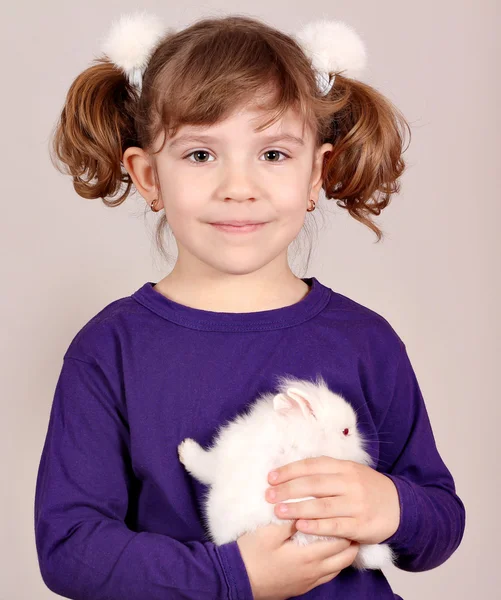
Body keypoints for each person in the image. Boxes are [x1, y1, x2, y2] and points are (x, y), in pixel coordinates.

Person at [34, 11, 466, 600]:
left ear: (318, 171)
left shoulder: (366, 340)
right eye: (200, 155)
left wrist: (392, 505)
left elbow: (440, 523)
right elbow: (71, 549)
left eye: (273, 155)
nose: (239, 185)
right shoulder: (110, 350)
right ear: (147, 176)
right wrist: (232, 578)